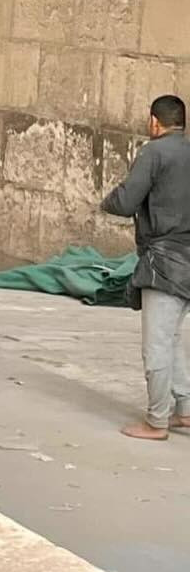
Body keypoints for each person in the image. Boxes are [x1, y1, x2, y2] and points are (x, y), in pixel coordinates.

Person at [100, 92, 190, 440]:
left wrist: (106, 201)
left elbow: (125, 201)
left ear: (155, 122)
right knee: (172, 338)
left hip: (165, 261)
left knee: (156, 345)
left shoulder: (154, 152)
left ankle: (156, 421)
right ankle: (185, 410)